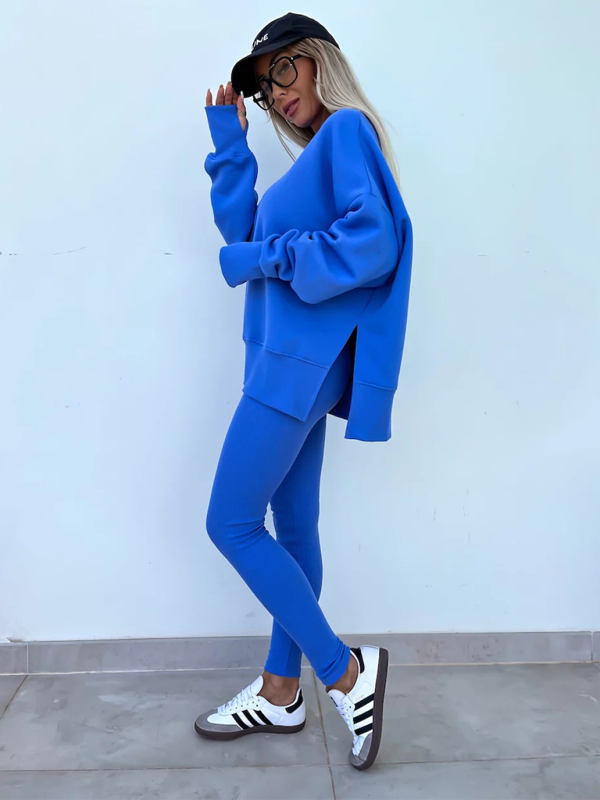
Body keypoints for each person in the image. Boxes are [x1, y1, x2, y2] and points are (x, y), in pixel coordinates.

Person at [194, 12, 413, 772]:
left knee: (229, 522)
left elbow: (372, 243)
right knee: (292, 531)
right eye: (264, 86)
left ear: (320, 60)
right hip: (287, 363)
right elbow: (243, 236)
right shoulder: (314, 158)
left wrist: (271, 259)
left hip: (297, 365)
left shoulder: (346, 131)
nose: (276, 91)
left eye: (285, 68)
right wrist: (230, 143)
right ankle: (281, 691)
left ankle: (345, 674)